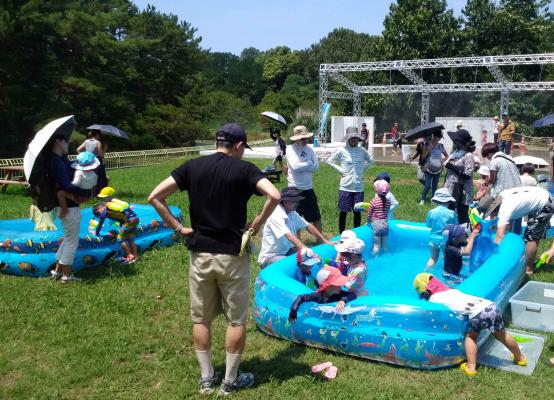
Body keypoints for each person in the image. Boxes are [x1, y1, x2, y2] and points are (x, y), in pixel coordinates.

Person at [147, 122, 281, 396]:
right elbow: (275, 194)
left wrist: (177, 227)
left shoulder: (192, 167)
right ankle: (230, 381)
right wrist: (255, 225)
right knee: (236, 321)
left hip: (200, 255)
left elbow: (155, 196)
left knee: (201, 319)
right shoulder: (244, 169)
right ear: (239, 145)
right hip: (232, 255)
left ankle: (207, 378)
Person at [413, 273, 527, 377]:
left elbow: (438, 315)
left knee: (471, 337)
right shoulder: (451, 291)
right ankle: (520, 357)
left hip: (478, 313)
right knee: (502, 335)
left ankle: (471, 366)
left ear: (425, 292)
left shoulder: (434, 299)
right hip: (491, 306)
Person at [479, 186, 554, 275]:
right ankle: (528, 261)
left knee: (531, 237)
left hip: (544, 203)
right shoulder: (501, 196)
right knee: (531, 233)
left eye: (491, 213)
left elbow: (499, 236)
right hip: (539, 195)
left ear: (494, 208)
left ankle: (528, 270)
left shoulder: (504, 210)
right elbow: (503, 226)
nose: (491, 216)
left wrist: (491, 257)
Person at [49, 135, 92, 283]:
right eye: (65, 141)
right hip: (70, 206)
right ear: (57, 142)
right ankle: (67, 277)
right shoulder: (57, 161)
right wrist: (84, 195)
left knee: (67, 240)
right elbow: (66, 185)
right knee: (72, 242)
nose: (69, 143)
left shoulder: (59, 159)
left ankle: (57, 272)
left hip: (66, 205)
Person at [258, 186, 329, 268]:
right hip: (271, 257)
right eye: (295, 201)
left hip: (288, 251)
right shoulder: (276, 215)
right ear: (285, 202)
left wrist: (325, 241)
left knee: (310, 260)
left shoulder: (292, 212)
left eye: (298, 201)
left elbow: (308, 226)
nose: (298, 203)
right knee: (294, 265)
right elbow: (289, 236)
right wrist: (307, 251)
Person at [326, 126, 373, 233]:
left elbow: (371, 161)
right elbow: (329, 161)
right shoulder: (342, 151)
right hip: (345, 187)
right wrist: (340, 169)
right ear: (348, 139)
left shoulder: (362, 150)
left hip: (358, 187)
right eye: (352, 138)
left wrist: (362, 169)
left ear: (359, 139)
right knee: (343, 212)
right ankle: (341, 233)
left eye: (356, 138)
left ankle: (357, 233)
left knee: (357, 212)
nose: (354, 140)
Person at [286, 125, 323, 235]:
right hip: (294, 188)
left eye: (306, 138)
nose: (305, 140)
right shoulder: (290, 149)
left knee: (316, 216)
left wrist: (305, 165)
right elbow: (295, 167)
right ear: (296, 139)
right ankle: (297, 244)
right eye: (302, 138)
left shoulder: (310, 149)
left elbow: (317, 166)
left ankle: (320, 241)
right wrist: (310, 162)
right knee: (295, 217)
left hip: (308, 188)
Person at [288, 266, 357, 323]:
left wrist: (343, 300)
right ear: (328, 287)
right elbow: (301, 297)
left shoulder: (338, 294)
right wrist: (293, 313)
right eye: (338, 284)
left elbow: (353, 295)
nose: (341, 285)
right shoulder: (317, 295)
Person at [91, 198, 140, 264]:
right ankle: (136, 256)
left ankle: (129, 255)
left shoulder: (103, 212)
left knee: (120, 239)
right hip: (135, 219)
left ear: (98, 211)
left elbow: (100, 225)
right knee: (130, 239)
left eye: (98, 215)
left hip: (129, 222)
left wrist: (97, 233)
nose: (99, 216)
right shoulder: (111, 207)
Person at [444, 129, 476, 225]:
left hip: (462, 191)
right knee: (450, 212)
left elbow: (467, 174)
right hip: (450, 188)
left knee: (462, 215)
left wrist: (451, 167)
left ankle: (465, 236)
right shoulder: (454, 153)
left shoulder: (468, 155)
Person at [57, 151, 98, 218]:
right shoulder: (94, 174)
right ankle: (76, 201)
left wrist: (69, 184)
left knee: (60, 194)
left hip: (79, 194)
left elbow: (76, 183)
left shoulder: (79, 172)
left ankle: (64, 209)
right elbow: (94, 183)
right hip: (89, 194)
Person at [425, 188, 458, 268]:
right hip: (446, 241)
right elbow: (456, 227)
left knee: (433, 258)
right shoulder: (451, 213)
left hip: (434, 239)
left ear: (436, 201)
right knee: (447, 258)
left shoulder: (432, 212)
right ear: (448, 201)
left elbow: (428, 225)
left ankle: (426, 271)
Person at [360, 180, 391, 255]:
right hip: (385, 225)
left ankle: (375, 258)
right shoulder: (388, 202)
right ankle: (387, 256)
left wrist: (368, 221)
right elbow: (386, 213)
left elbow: (369, 214)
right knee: (384, 246)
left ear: (376, 190)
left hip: (376, 225)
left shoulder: (373, 201)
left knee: (376, 246)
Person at [419, 130, 448, 205]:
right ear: (434, 136)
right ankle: (422, 199)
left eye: (440, 137)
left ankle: (433, 200)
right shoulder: (427, 144)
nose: (440, 139)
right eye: (439, 137)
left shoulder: (441, 146)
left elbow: (447, 156)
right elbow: (422, 157)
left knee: (435, 186)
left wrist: (442, 161)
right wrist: (428, 150)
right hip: (428, 168)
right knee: (428, 185)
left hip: (438, 169)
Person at [78, 129, 108, 195]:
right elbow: (101, 155)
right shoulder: (98, 142)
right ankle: (99, 193)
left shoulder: (86, 141)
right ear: (97, 135)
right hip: (96, 162)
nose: (100, 136)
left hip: (88, 162)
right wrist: (105, 149)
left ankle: (90, 193)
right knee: (99, 178)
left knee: (90, 177)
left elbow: (78, 150)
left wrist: (86, 155)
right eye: (99, 135)